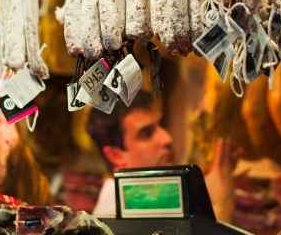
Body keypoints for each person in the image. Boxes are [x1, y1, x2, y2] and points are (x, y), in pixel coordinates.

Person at [87, 90, 236, 221]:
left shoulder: (144, 201)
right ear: (115, 155)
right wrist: (220, 209)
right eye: (146, 133)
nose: (167, 138)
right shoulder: (114, 217)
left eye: (161, 125)